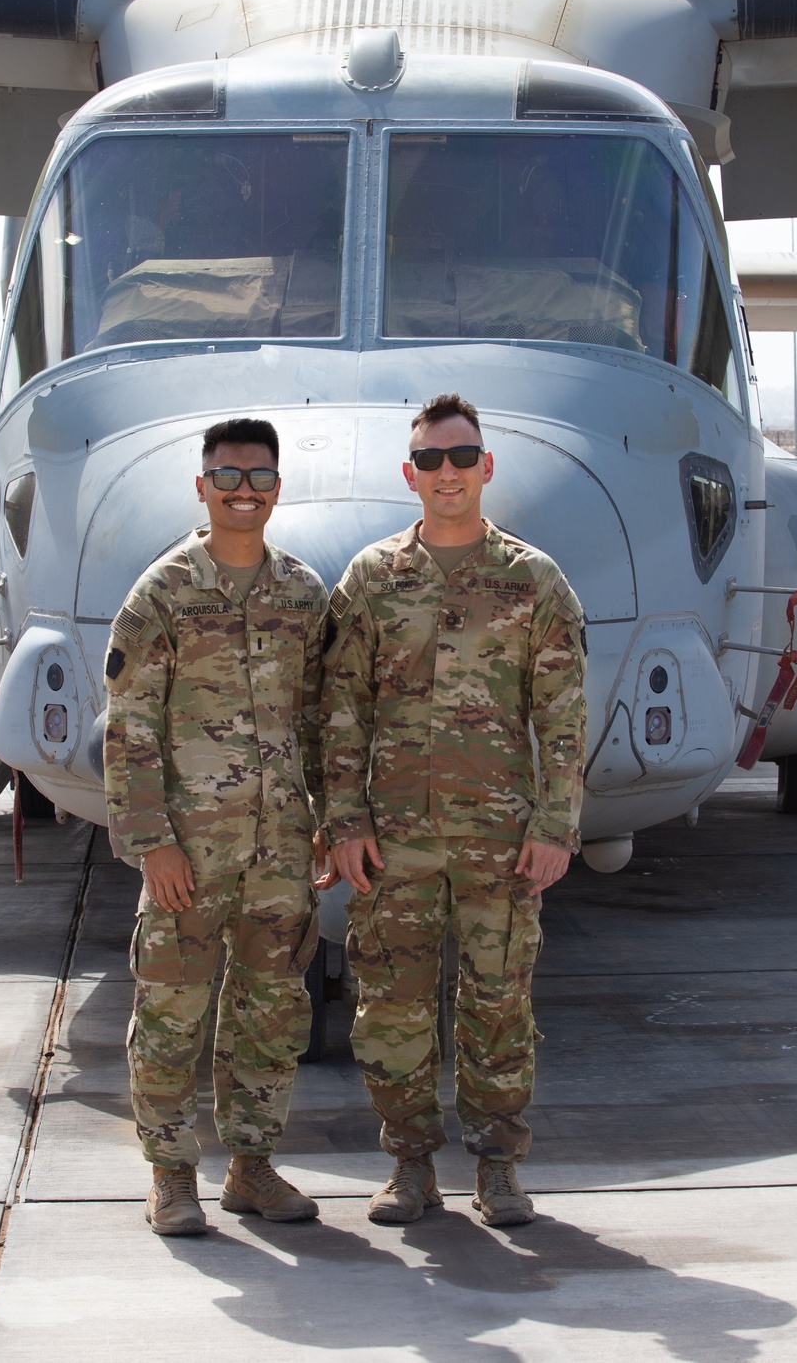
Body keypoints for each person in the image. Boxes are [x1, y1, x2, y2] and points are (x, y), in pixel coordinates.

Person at [319, 393, 586, 1228]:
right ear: (410, 474)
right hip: (393, 839)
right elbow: (340, 709)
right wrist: (345, 823)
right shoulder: (371, 579)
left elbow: (564, 716)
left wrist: (554, 825)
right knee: (392, 1006)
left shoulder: (533, 580)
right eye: (431, 461)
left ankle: (499, 1165)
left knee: (498, 1002)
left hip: (498, 838)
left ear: (486, 468)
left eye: (461, 458)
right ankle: (408, 1164)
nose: (447, 474)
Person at [104, 417, 327, 1236]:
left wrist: (327, 830)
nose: (244, 492)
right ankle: (170, 1174)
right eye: (227, 477)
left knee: (271, 1011)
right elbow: (127, 728)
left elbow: (320, 724)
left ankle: (252, 1166)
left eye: (259, 477)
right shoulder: (163, 593)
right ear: (202, 487)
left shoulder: (304, 595)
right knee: (172, 1011)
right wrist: (150, 840)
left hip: (281, 854)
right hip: (187, 854)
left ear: (278, 487)